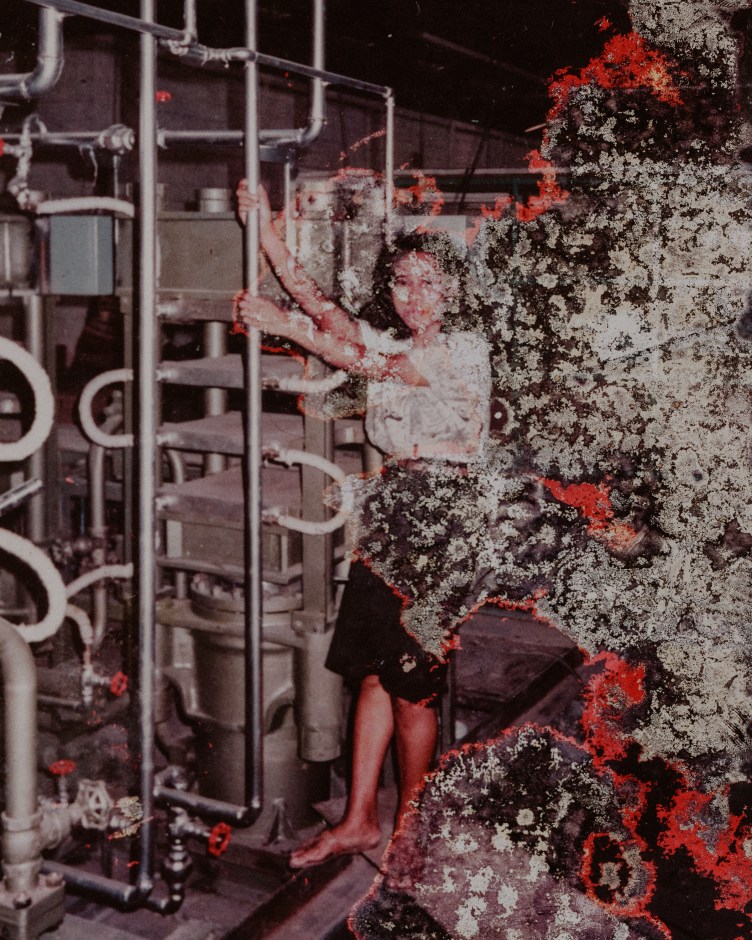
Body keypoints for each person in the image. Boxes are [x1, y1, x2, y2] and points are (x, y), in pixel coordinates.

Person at [236, 180, 490, 867]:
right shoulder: (401, 338)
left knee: (412, 685)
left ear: (455, 292)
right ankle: (359, 821)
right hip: (393, 519)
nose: (414, 294)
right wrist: (263, 233)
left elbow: (362, 358)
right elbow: (329, 312)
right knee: (374, 676)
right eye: (403, 281)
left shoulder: (461, 349)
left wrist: (285, 329)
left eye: (429, 283)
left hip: (439, 528)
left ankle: (411, 828)